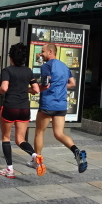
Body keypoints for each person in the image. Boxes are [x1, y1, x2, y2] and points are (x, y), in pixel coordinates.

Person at [33, 43, 87, 174]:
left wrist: (31, 89)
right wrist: (60, 87)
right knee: (59, 134)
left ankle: (37, 162)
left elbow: (45, 85)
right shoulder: (64, 66)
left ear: (50, 52)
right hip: (61, 104)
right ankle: (76, 151)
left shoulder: (46, 66)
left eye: (43, 51)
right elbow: (72, 83)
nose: (41, 54)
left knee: (39, 132)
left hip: (48, 103)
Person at [0, 43, 40, 179]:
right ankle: (34, 155)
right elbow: (36, 90)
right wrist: (24, 89)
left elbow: (4, 88)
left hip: (10, 106)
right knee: (20, 139)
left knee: (6, 138)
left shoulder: (7, 70)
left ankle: (10, 169)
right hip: (24, 108)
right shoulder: (28, 71)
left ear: (11, 57)